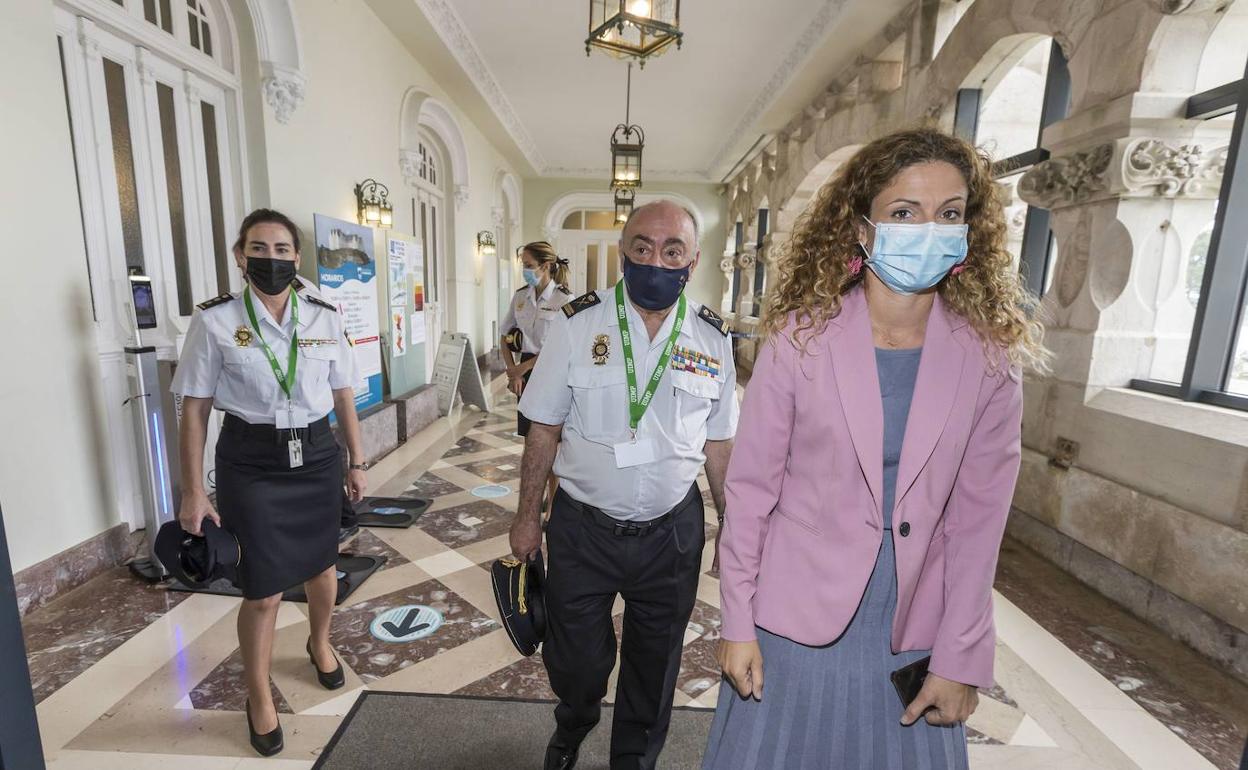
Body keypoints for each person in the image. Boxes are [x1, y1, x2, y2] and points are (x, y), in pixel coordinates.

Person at [704, 128, 1049, 769]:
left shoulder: (989, 359)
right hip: (796, 613)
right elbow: (750, 494)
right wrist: (736, 622)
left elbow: (979, 525)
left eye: (949, 214)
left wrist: (961, 655)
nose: (929, 230)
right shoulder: (800, 342)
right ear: (863, 230)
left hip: (916, 618)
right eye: (903, 213)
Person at [511, 200, 738, 770]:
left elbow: (719, 443)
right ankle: (577, 717)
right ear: (623, 252)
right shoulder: (576, 324)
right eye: (641, 247)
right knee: (578, 662)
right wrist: (524, 516)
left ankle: (632, 760)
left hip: (673, 532)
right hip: (584, 528)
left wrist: (733, 523)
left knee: (656, 663)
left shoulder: (713, 339)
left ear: (693, 258)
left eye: (672, 250)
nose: (655, 261)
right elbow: (543, 428)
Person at [171, 208, 368, 758]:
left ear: (297, 258)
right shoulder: (214, 321)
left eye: (282, 250)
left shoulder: (325, 315)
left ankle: (320, 642)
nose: (272, 258)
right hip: (252, 463)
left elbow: (343, 393)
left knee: (324, 566)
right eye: (260, 248)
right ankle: (258, 695)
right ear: (240, 256)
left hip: (317, 456)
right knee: (261, 589)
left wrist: (357, 460)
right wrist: (192, 490)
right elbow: (194, 409)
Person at [501, 241, 574, 515]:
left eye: (529, 266)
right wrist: (512, 371)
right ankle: (538, 497)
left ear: (546, 266)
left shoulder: (564, 300)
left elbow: (562, 349)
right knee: (531, 441)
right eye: (524, 266)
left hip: (552, 372)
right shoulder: (521, 297)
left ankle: (554, 505)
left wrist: (523, 368)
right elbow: (505, 336)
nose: (525, 271)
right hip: (524, 371)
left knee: (551, 442)